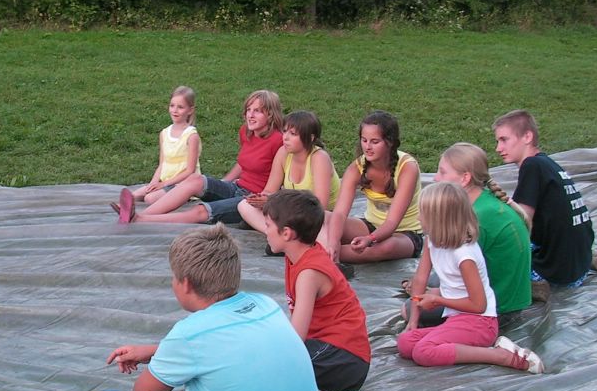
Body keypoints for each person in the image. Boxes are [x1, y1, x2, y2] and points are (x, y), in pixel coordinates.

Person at [90, 224, 324, 391]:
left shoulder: (189, 334)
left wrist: (165, 355)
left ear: (186, 284)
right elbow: (233, 349)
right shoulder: (264, 304)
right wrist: (157, 351)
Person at [399, 182, 544, 373]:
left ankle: (500, 356)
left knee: (423, 352)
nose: (418, 218)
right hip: (456, 319)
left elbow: (478, 305)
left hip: (480, 323)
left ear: (438, 219)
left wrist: (437, 299)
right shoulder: (431, 240)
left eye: (422, 213)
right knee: (405, 342)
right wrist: (413, 321)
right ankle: (460, 346)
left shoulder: (464, 255)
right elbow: (420, 280)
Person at [262, 190, 370, 391]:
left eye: (268, 225)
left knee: (270, 370)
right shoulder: (297, 256)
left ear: (287, 233)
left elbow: (296, 336)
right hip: (333, 351)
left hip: (343, 356)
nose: (265, 231)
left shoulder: (309, 271)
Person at [404, 143, 533, 327]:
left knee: (409, 308)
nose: (435, 178)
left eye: (442, 172)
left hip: (498, 307)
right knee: (431, 280)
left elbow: (471, 282)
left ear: (465, 178)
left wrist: (438, 297)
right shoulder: (485, 201)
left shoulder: (473, 219)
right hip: (508, 292)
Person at [112, 90, 284, 225]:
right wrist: (223, 183)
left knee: (201, 211)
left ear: (270, 114)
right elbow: (242, 163)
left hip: (252, 200)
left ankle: (140, 220)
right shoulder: (247, 132)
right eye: (248, 110)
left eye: (257, 112)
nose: (250, 115)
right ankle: (136, 214)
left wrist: (265, 200)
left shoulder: (278, 141)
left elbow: (280, 178)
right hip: (236, 188)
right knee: (196, 179)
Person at [493, 109, 597, 288]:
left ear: (527, 137)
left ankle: (533, 289)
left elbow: (520, 222)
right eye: (497, 141)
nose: (498, 148)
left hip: (558, 274)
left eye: (504, 140)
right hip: (579, 264)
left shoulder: (531, 165)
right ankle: (594, 258)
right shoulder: (547, 163)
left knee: (490, 261)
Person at [327, 110, 423, 264]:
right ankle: (328, 251)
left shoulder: (407, 167)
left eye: (375, 141)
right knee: (325, 218)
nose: (368, 147)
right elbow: (339, 213)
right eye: (364, 140)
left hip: (404, 234)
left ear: (390, 142)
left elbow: (392, 222)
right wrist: (332, 241)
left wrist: (369, 239)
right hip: (370, 225)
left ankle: (321, 255)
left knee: (387, 247)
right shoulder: (356, 168)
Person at [237, 110, 340, 249]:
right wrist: (262, 199)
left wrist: (277, 201)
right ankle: (286, 239)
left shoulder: (319, 157)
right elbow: (270, 190)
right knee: (244, 205)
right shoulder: (283, 153)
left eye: (293, 134)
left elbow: (319, 205)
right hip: (294, 214)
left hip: (320, 216)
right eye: (285, 132)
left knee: (322, 230)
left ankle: (284, 239)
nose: (285, 137)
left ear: (310, 138)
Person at [127, 85, 202, 204]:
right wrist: (153, 183)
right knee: (134, 195)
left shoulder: (191, 136)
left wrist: (163, 184)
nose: (175, 110)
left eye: (180, 107)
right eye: (172, 106)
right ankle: (124, 211)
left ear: (190, 110)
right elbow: (162, 163)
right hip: (166, 182)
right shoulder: (164, 133)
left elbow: (190, 170)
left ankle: (181, 198)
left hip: (183, 184)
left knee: (149, 198)